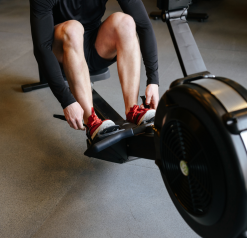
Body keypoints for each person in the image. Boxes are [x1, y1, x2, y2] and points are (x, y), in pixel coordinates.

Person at [30, 0, 159, 140]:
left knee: (126, 22)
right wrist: (66, 100)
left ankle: (133, 110)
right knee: (73, 28)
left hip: (95, 49)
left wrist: (153, 80)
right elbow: (42, 48)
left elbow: (144, 25)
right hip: (62, 53)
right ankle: (91, 121)